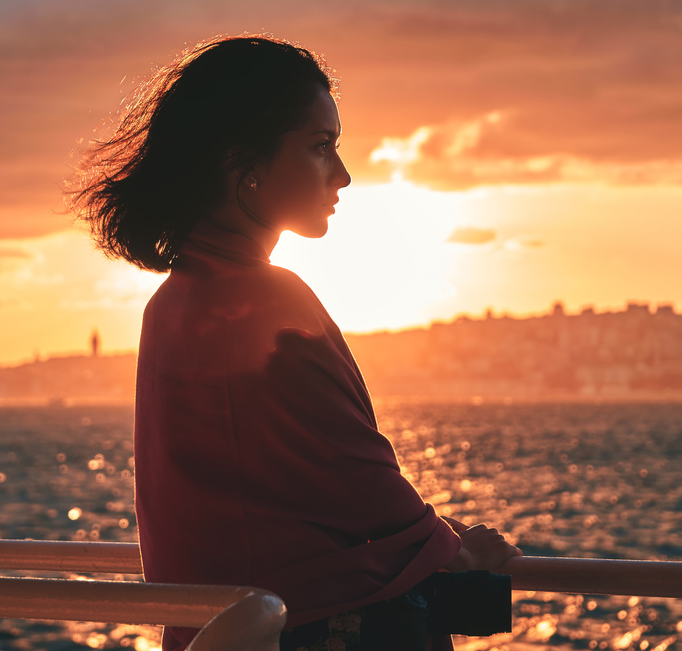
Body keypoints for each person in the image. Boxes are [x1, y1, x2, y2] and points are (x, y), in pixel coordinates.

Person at [70, 35, 521, 651]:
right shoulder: (266, 298)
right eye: (320, 147)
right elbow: (356, 476)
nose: (342, 173)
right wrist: (455, 549)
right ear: (244, 165)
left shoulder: (169, 304)